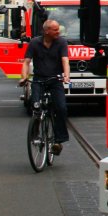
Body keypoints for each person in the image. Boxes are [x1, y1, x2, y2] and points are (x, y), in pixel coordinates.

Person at [19, 19, 71, 154]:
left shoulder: (61, 42)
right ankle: (36, 134)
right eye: (55, 30)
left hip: (55, 80)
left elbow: (65, 60)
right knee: (35, 106)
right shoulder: (35, 43)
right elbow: (26, 62)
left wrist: (66, 75)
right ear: (46, 31)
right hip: (38, 79)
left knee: (61, 108)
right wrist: (24, 77)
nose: (58, 32)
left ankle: (58, 141)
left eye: (58, 29)